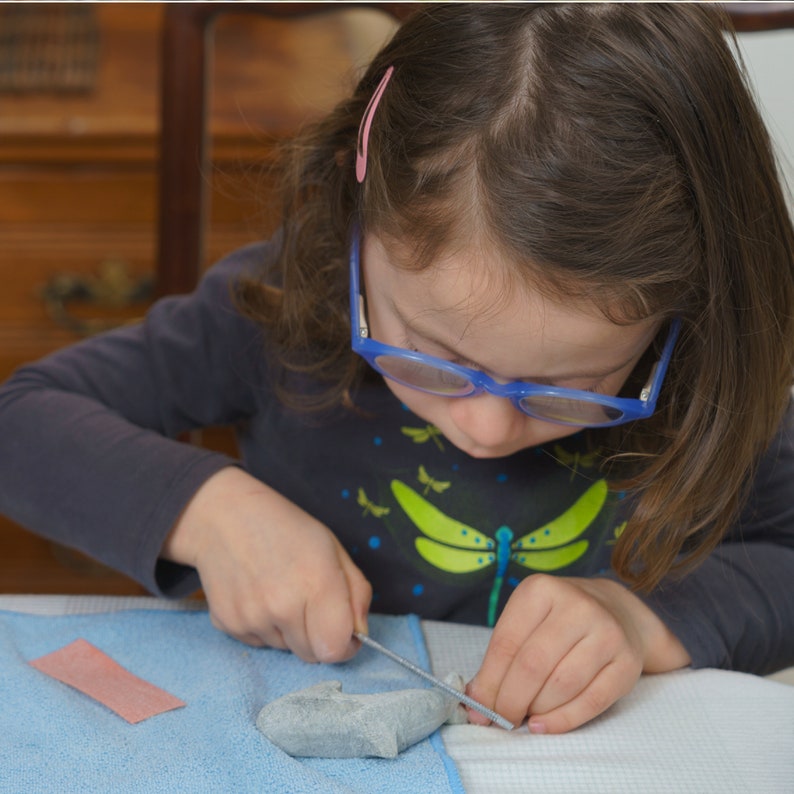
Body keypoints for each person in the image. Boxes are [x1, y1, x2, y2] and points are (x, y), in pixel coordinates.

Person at [1, 3, 793, 736]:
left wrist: (641, 618)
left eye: (571, 388)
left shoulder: (708, 363)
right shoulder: (282, 306)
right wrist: (207, 512)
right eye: (432, 354)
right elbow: (19, 422)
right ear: (357, 222)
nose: (484, 429)